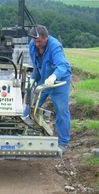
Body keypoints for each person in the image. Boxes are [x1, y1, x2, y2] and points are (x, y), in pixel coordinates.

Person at [28, 25, 72, 153]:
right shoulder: (32, 45)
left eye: (39, 41)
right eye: (34, 41)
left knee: (61, 111)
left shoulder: (55, 46)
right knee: (31, 105)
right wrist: (32, 79)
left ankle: (63, 143)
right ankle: (28, 134)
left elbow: (63, 66)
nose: (37, 44)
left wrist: (53, 76)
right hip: (43, 80)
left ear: (46, 38)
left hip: (59, 82)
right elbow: (37, 65)